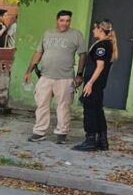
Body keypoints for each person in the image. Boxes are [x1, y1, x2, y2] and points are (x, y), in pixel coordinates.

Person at [23, 10, 87, 144]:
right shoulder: (47, 33)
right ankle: (39, 132)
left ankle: (62, 133)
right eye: (62, 20)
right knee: (41, 104)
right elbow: (38, 53)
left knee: (63, 106)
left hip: (65, 77)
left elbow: (82, 55)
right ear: (57, 20)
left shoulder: (76, 35)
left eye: (68, 21)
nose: (65, 23)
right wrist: (28, 71)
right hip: (45, 76)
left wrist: (80, 74)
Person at [72, 19, 118, 151]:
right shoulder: (107, 44)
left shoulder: (102, 46)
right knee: (98, 110)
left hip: (94, 84)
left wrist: (90, 83)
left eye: (95, 28)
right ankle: (102, 140)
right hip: (98, 84)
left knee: (90, 111)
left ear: (101, 30)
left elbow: (100, 66)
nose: (93, 30)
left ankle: (90, 140)